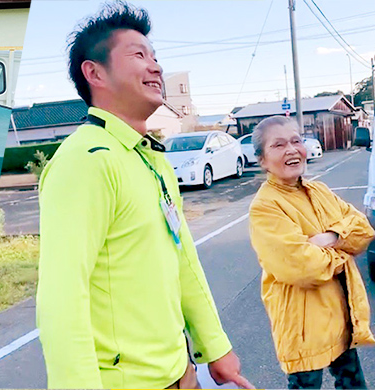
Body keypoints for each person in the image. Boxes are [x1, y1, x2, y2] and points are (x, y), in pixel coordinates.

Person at [34, 3, 253, 388]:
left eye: (155, 57)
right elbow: (62, 295)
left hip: (180, 373)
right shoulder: (86, 160)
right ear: (95, 72)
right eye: (139, 55)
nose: (156, 67)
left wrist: (213, 347)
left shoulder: (151, 159)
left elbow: (183, 259)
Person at [247, 115, 375, 389]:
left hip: (342, 315)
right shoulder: (265, 206)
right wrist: (343, 247)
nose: (291, 150)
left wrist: (329, 238)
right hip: (303, 327)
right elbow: (301, 266)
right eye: (278, 145)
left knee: (353, 384)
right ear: (261, 159)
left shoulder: (320, 191)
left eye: (296, 141)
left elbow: (363, 230)